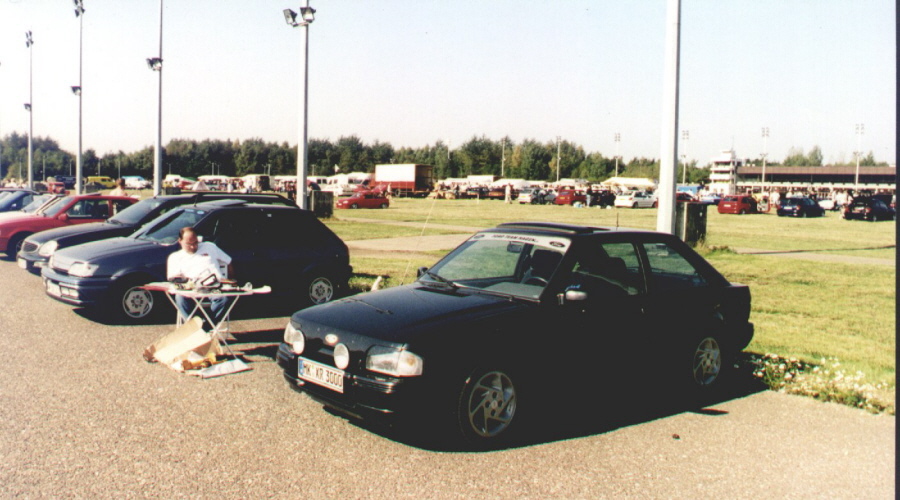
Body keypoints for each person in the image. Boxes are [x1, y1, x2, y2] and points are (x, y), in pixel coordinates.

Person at [167, 227, 233, 326]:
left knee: (224, 299)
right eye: (189, 244)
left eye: (195, 243)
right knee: (180, 298)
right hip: (191, 289)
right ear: (180, 241)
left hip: (214, 287)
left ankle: (206, 327)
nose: (193, 247)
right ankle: (192, 326)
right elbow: (173, 279)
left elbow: (229, 261)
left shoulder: (209, 247)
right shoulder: (175, 257)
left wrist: (230, 281)